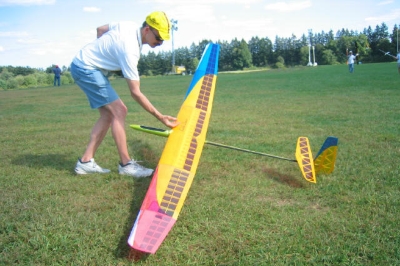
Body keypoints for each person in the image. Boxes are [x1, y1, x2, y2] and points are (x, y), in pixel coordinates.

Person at [70, 11, 179, 178]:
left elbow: (100, 29)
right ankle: (126, 165)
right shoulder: (130, 51)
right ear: (147, 30)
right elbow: (135, 92)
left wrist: (102, 53)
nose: (160, 42)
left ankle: (85, 162)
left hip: (84, 64)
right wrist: (160, 117)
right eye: (158, 38)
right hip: (86, 69)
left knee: (108, 115)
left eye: (163, 39)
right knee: (120, 111)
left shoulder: (128, 25)